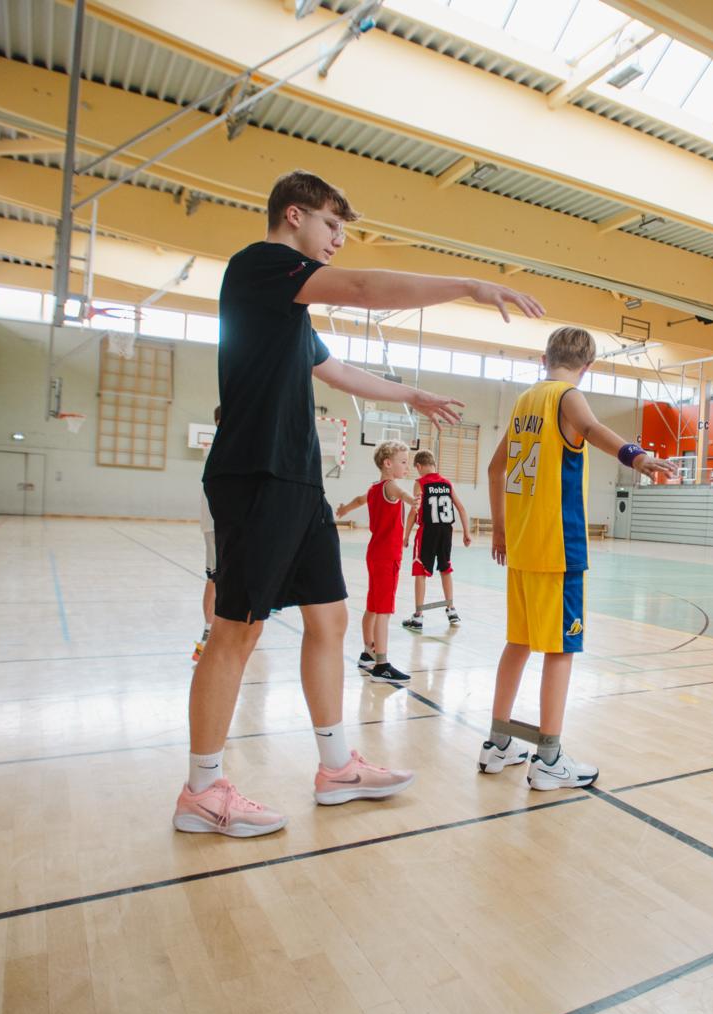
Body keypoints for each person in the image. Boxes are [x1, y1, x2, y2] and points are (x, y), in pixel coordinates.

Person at [174, 169, 544, 837]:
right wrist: (468, 284)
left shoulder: (290, 314)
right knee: (237, 629)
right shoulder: (263, 267)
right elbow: (370, 289)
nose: (338, 239)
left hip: (298, 480)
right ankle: (202, 789)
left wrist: (411, 396)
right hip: (255, 474)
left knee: (330, 620)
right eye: (330, 225)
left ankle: (337, 765)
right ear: (294, 216)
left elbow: (338, 370)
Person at [482, 327, 679, 788]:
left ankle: (498, 743)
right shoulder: (567, 396)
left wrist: (501, 527)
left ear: (544, 355)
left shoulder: (526, 400)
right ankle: (548, 760)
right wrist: (636, 456)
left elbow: (496, 468)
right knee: (561, 649)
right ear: (588, 365)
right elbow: (591, 429)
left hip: (524, 545)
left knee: (519, 643)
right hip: (558, 546)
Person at [335, 441, 414, 682]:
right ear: (388, 464)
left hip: (375, 553)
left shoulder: (374, 488)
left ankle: (367, 654)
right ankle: (382, 664)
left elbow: (359, 500)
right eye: (403, 462)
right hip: (387, 556)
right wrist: (412, 500)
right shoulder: (391, 485)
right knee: (384, 611)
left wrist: (343, 510)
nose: (406, 466)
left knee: (372, 605)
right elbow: (401, 493)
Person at [401, 449, 471, 632]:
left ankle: (418, 616)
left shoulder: (420, 483)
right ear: (433, 464)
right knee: (445, 568)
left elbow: (413, 510)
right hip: (446, 532)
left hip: (428, 531)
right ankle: (451, 609)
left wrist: (406, 534)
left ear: (418, 466)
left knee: (420, 571)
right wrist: (466, 532)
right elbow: (462, 508)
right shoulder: (446, 483)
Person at [193, 405, 223, 663]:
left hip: (225, 526)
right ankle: (208, 631)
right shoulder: (222, 448)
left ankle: (219, 630)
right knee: (215, 578)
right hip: (217, 525)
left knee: (224, 579)